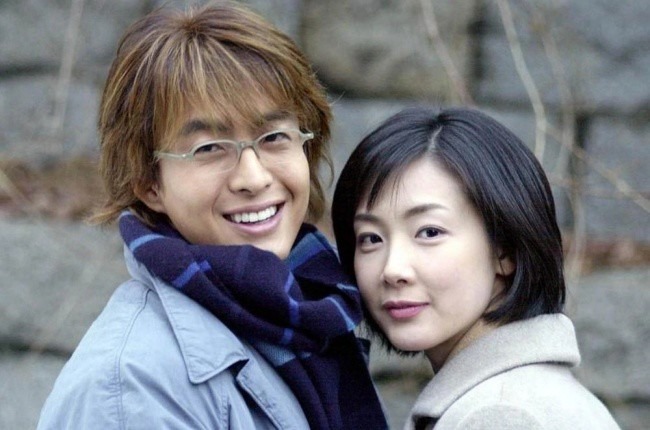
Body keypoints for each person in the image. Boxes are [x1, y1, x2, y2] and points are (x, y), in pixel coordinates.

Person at [37, 2, 387, 429]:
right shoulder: (130, 390)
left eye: (274, 137)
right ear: (149, 183)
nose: (253, 177)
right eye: (209, 149)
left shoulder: (310, 322)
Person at [331, 106, 621, 429]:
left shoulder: (500, 414)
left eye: (429, 232)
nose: (392, 269)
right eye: (371, 238)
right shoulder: (528, 395)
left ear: (505, 250)